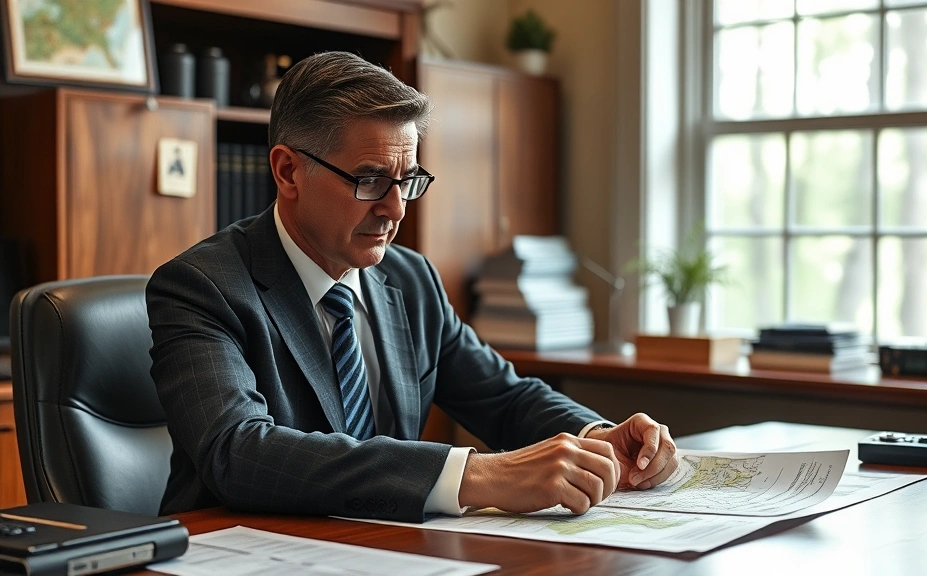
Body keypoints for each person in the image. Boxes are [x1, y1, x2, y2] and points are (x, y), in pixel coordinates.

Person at [147, 51, 677, 522]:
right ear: (288, 172)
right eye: (370, 179)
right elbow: (238, 452)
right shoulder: (202, 286)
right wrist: (475, 476)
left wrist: (597, 438)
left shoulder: (410, 279)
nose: (396, 209)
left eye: (408, 181)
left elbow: (504, 399)